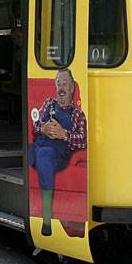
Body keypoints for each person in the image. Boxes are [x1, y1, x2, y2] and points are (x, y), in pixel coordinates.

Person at [30, 68, 87, 236]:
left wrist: (64, 134)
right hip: (39, 144)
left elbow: (83, 139)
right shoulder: (49, 103)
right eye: (59, 84)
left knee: (44, 155)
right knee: (28, 151)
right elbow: (35, 124)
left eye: (65, 84)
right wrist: (43, 128)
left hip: (58, 154)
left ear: (72, 87)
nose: (61, 88)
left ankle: (47, 215)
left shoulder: (78, 115)